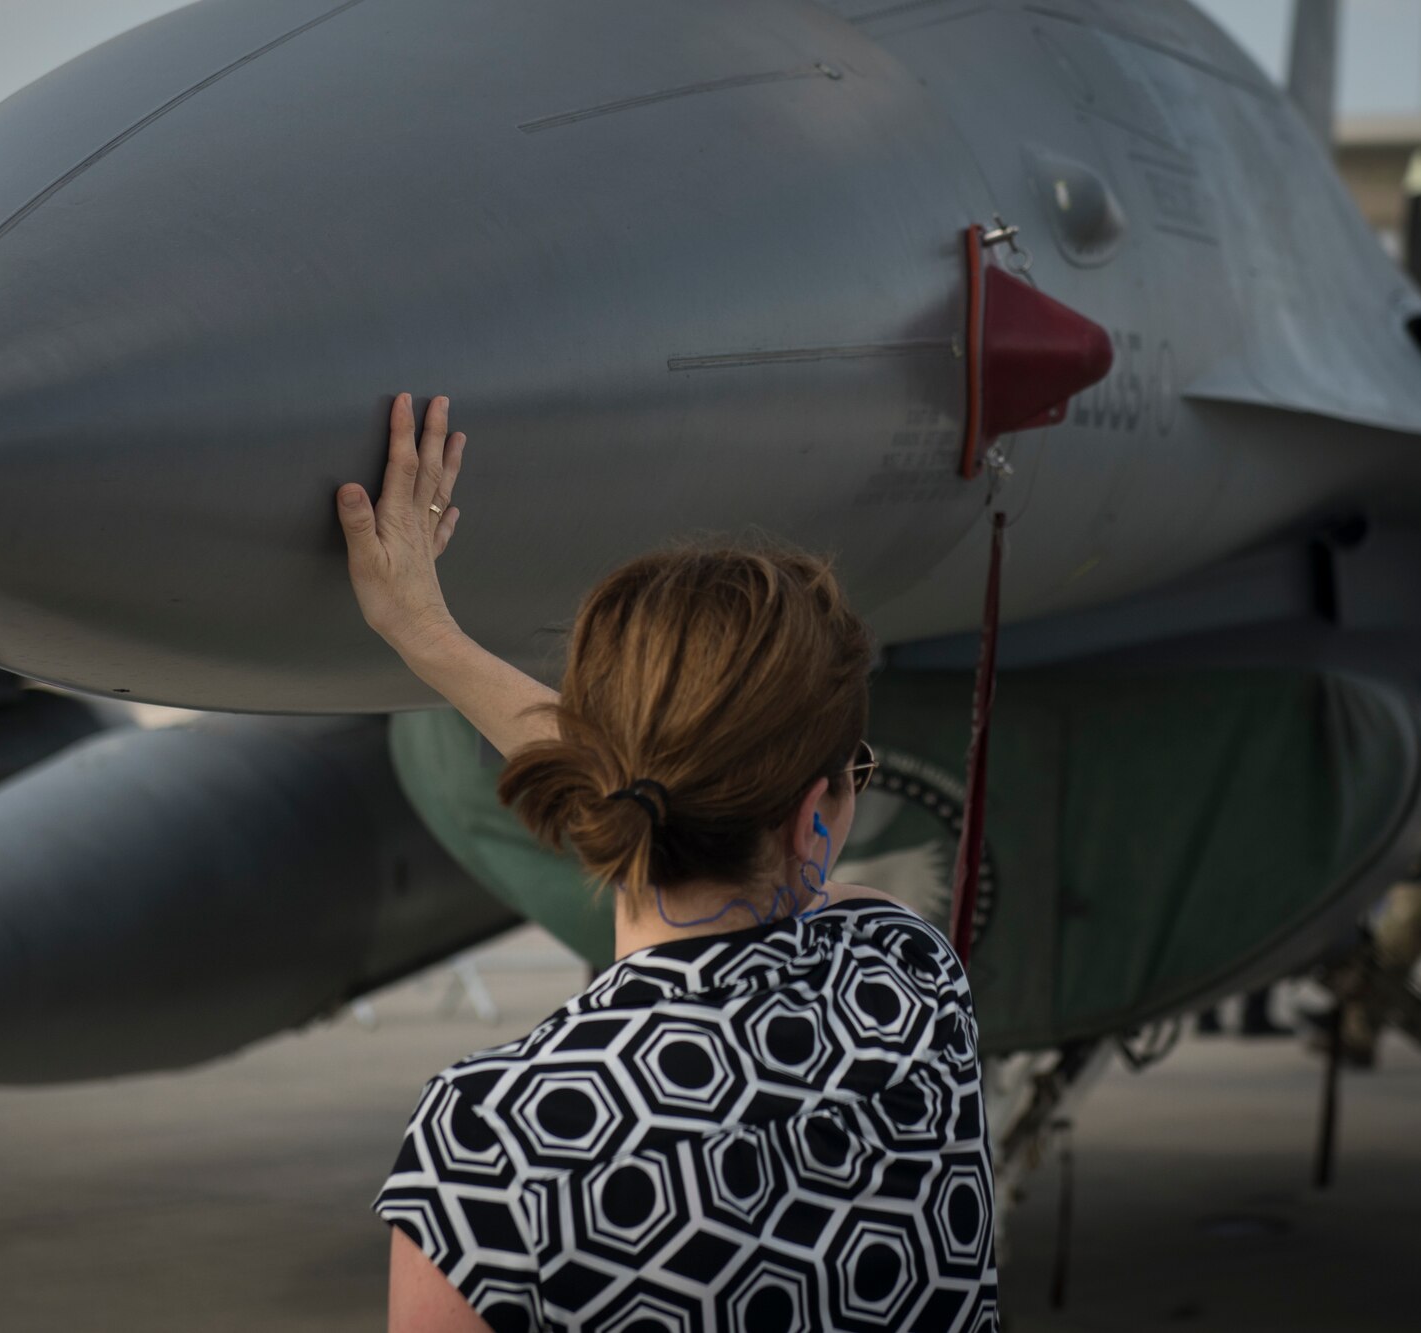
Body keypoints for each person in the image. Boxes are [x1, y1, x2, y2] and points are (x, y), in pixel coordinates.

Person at [338, 394, 997, 1331]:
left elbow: (635, 776)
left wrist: (425, 634)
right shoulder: (908, 983)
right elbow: (648, 784)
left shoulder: (495, 1136)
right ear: (815, 815)